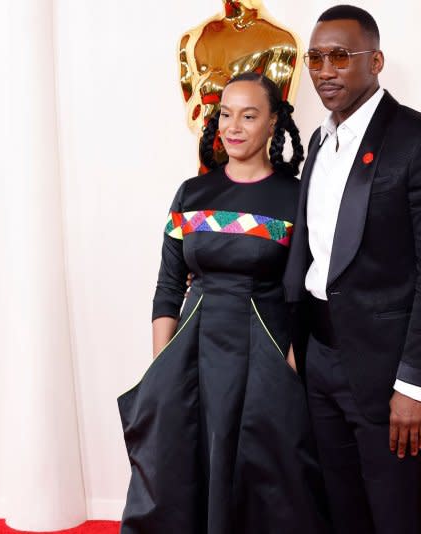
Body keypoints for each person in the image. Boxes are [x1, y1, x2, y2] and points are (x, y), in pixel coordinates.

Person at [282, 5, 421, 534]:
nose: (324, 70)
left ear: (377, 60)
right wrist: (298, 339)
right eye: (314, 57)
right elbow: (315, 253)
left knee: (397, 516)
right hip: (319, 359)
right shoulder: (319, 140)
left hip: (389, 372)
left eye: (340, 56)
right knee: (340, 510)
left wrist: (416, 384)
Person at [117, 72, 330, 534]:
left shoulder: (295, 198)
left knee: (270, 482)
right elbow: (168, 284)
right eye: (226, 114)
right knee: (178, 474)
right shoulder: (192, 194)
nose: (233, 126)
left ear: (273, 122)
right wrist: (161, 368)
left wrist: (293, 364)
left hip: (266, 354)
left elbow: (307, 290)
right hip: (191, 354)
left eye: (249, 115)